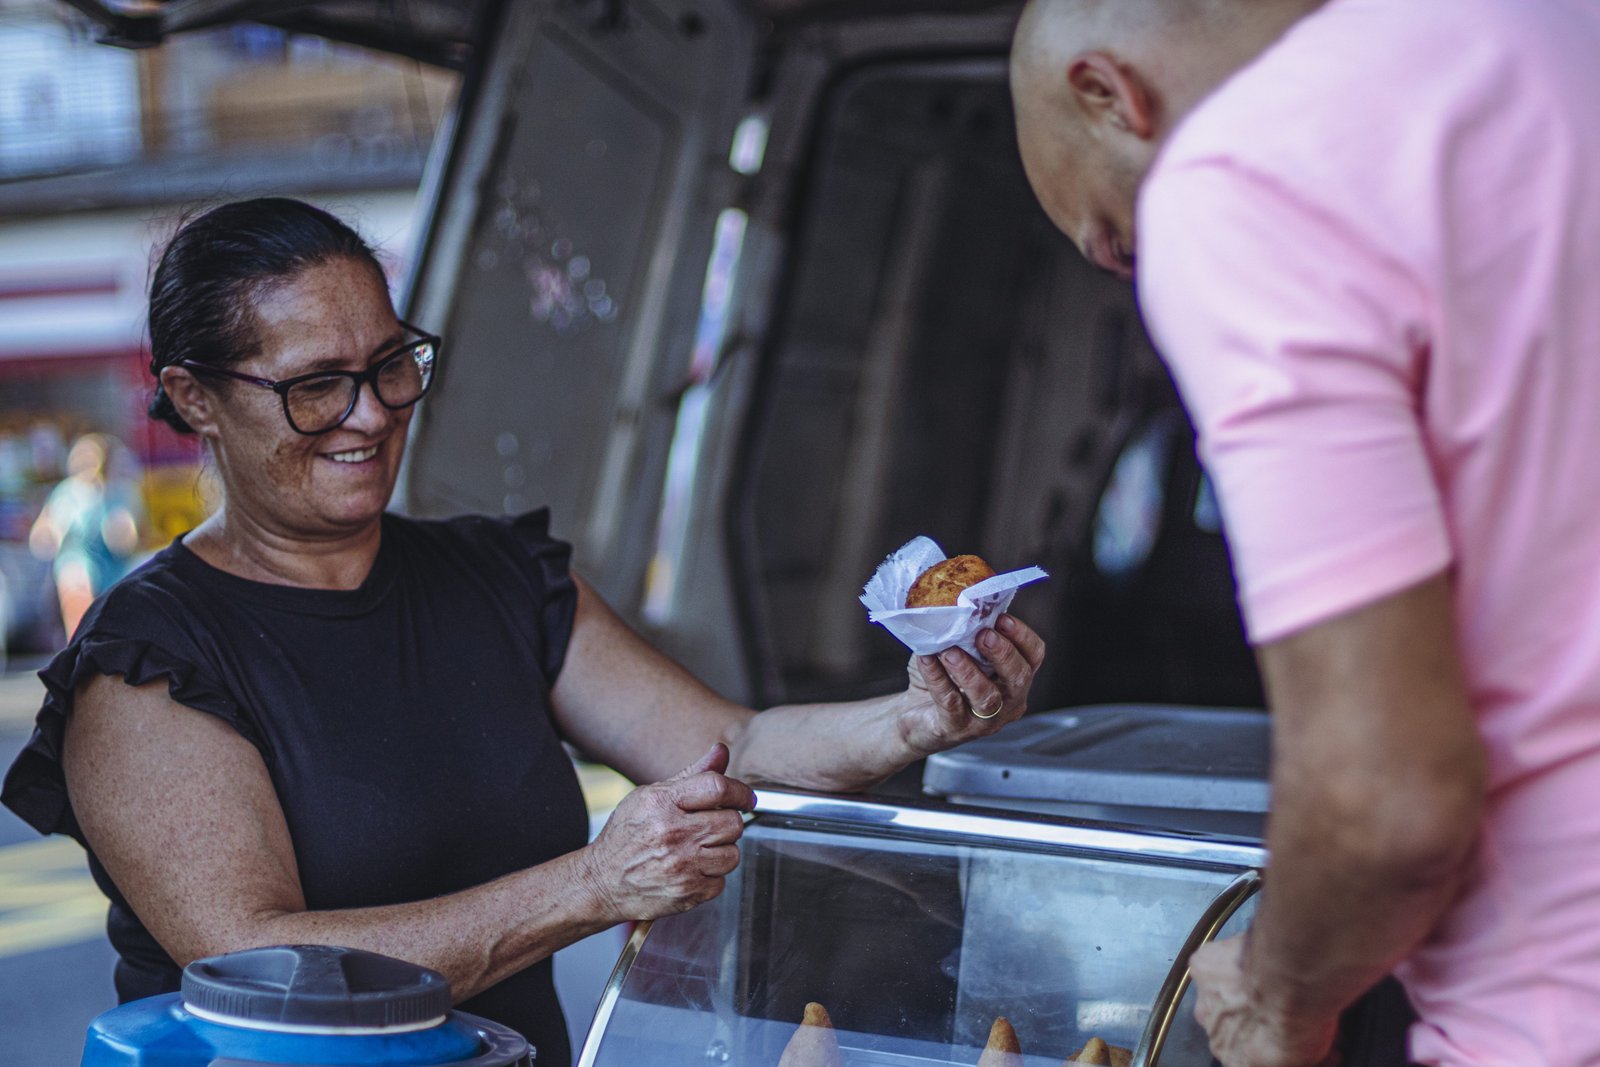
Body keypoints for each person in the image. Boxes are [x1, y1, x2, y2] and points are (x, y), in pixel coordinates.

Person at [0, 197, 1045, 1066]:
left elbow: (740, 742)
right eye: (317, 385)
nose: (372, 413)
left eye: (391, 363)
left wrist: (916, 714)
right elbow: (266, 968)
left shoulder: (496, 577)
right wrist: (596, 882)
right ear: (196, 398)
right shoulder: (149, 664)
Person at [1010, 1, 1600, 1065]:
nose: (1148, 281)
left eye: (1120, 245)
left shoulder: (1242, 181)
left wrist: (1274, 994)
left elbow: (1384, 803)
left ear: (1108, 94)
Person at [28, 433, 143, 638]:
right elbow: (44, 531)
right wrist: (48, 534)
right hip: (76, 558)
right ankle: (80, 642)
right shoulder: (66, 493)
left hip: (111, 562)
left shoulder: (116, 492)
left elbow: (128, 537)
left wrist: (122, 529)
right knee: (75, 580)